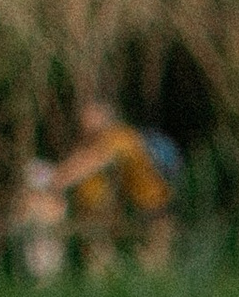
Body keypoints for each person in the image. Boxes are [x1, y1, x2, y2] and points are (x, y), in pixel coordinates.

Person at [52, 100, 177, 273]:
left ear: (104, 118)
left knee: (153, 264)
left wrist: (53, 181)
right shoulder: (94, 142)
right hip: (129, 208)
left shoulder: (120, 138)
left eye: (89, 118)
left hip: (153, 208)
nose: (84, 124)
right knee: (101, 257)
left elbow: (90, 163)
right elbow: (79, 162)